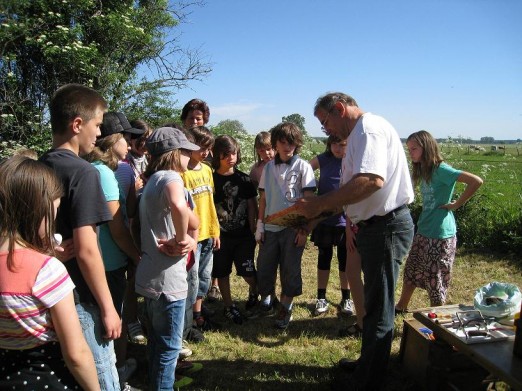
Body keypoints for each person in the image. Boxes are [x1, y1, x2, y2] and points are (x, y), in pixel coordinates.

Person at [295, 92, 415, 390]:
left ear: (339, 108)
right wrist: (316, 215)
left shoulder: (369, 129)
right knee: (374, 305)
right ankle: (368, 366)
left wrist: (320, 203)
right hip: (373, 227)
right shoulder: (361, 134)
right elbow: (352, 193)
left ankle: (370, 379)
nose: (327, 131)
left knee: (378, 306)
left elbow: (370, 181)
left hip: (385, 227)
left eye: (326, 122)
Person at [40, 83, 122, 390]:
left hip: (48, 297)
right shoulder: (84, 173)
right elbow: (88, 250)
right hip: (81, 300)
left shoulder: (38, 166)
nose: (99, 134)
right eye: (97, 125)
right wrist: (108, 307)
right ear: (77, 124)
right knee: (101, 379)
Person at [0, 156, 100, 390]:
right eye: (54, 209)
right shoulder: (47, 271)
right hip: (46, 379)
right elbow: (76, 354)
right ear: (36, 210)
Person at [134, 127, 200, 390]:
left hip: (150, 276)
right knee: (169, 349)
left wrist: (190, 235)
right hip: (168, 283)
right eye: (186, 151)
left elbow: (188, 214)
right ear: (174, 153)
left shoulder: (152, 180)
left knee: (156, 343)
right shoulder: (172, 177)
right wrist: (182, 238)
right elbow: (178, 205)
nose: (190, 157)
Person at [84, 111, 144, 386]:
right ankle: (116, 375)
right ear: (115, 139)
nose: (131, 142)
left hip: (100, 262)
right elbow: (117, 227)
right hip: (108, 263)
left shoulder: (91, 169)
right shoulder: (104, 175)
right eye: (128, 137)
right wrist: (136, 256)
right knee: (111, 320)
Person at [395, 130, 483, 311]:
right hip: (423, 229)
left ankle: (438, 316)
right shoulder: (424, 170)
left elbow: (476, 181)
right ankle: (401, 306)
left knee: (435, 278)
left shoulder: (441, 169)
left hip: (440, 234)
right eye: (409, 149)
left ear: (426, 147)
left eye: (414, 149)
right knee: (412, 269)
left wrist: (457, 204)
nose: (410, 152)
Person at [255, 122, 316, 329]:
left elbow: (309, 201)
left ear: (297, 144)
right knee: (265, 267)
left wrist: (303, 230)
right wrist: (259, 226)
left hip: (292, 229)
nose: (287, 146)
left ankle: (285, 308)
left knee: (290, 270)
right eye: (282, 142)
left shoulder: (304, 167)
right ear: (276, 144)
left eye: (291, 142)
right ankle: (268, 298)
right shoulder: (269, 168)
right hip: (270, 227)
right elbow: (263, 199)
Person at [211, 135, 259, 324]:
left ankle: (254, 292)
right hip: (220, 236)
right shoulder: (211, 178)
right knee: (222, 272)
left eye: (234, 153)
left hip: (243, 235)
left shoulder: (244, 179)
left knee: (247, 271)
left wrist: (254, 228)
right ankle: (229, 306)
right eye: (226, 154)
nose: (231, 157)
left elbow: (251, 205)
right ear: (218, 155)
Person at [309, 135, 354, 317]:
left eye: (342, 144)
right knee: (323, 258)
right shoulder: (323, 159)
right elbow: (304, 168)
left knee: (345, 262)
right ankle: (321, 297)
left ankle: (346, 298)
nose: (338, 148)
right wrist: (313, 189)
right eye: (334, 144)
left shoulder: (351, 160)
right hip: (324, 220)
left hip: (345, 221)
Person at [181, 126, 221, 333]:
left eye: (208, 148)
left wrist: (216, 230)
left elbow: (211, 201)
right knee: (191, 279)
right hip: (192, 237)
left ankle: (198, 315)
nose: (205, 152)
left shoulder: (207, 170)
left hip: (208, 233)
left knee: (204, 278)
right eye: (201, 147)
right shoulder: (182, 172)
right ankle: (186, 323)